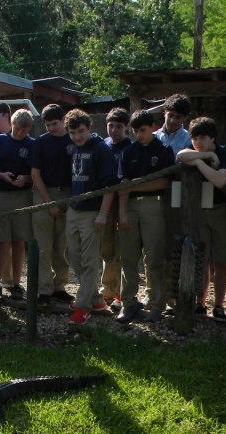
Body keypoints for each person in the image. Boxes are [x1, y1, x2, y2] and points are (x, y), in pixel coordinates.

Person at [116, 110, 175, 322]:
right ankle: (128, 302)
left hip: (154, 205)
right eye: (135, 131)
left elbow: (164, 182)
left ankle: (156, 303)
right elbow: (123, 186)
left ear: (152, 127)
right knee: (128, 257)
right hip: (130, 206)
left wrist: (135, 185)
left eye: (143, 130)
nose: (139, 135)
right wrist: (121, 213)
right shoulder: (128, 152)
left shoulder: (164, 150)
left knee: (154, 257)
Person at [63, 109, 119, 325]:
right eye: (73, 132)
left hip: (92, 211)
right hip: (74, 208)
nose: (77, 136)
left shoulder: (100, 149)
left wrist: (103, 214)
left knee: (89, 261)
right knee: (73, 256)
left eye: (81, 131)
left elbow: (109, 185)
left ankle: (83, 306)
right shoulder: (74, 148)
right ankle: (95, 299)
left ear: (89, 129)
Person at [176, 118, 226, 322]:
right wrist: (205, 158)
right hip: (199, 211)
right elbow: (181, 155)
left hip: (221, 210)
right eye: (194, 138)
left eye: (203, 137)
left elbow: (220, 180)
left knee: (221, 260)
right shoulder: (196, 153)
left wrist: (199, 161)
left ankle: (218, 305)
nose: (198, 142)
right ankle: (200, 302)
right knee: (202, 258)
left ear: (212, 137)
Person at [0, 108, 34, 299]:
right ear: (11, 124)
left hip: (22, 195)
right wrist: (2, 176)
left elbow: (37, 172)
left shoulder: (32, 144)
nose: (20, 133)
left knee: (19, 241)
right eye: (17, 128)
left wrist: (26, 178)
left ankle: (16, 283)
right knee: (2, 242)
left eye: (24, 129)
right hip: (0, 195)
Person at [30, 104, 75, 306]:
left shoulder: (73, 139)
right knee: (43, 246)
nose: (51, 128)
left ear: (63, 120)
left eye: (54, 124)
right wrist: (48, 203)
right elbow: (35, 174)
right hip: (43, 194)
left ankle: (59, 286)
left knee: (61, 246)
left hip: (68, 193)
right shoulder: (40, 143)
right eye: (47, 125)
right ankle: (44, 290)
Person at [101, 107, 133, 308]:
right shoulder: (103, 145)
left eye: (118, 126)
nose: (113, 130)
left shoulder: (130, 147)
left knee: (123, 247)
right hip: (104, 200)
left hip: (124, 200)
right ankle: (107, 289)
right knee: (105, 247)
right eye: (110, 126)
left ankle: (121, 292)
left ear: (126, 127)